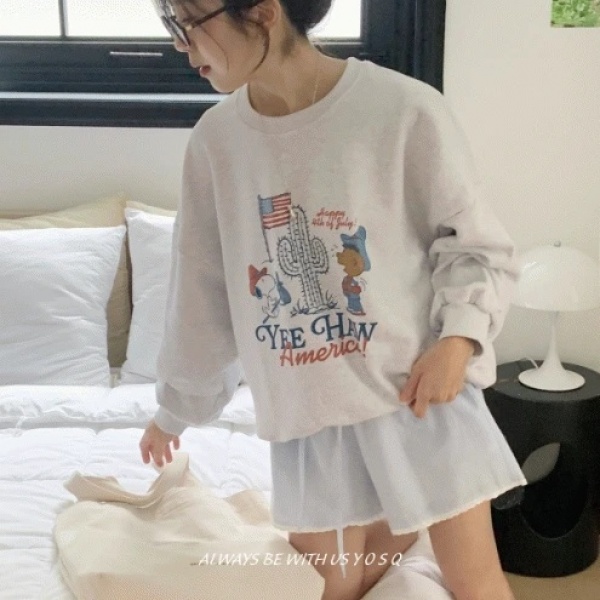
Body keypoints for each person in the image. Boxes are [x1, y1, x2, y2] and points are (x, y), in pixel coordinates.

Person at [139, 1, 527, 599]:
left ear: (263, 12)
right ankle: (395, 532)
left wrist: (459, 339)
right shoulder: (217, 142)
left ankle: (399, 529)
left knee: (474, 583)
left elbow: (474, 243)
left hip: (418, 398)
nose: (179, 43)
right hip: (308, 419)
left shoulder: (402, 109)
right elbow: (202, 292)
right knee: (330, 588)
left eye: (188, 22)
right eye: (172, 23)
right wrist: (175, 408)